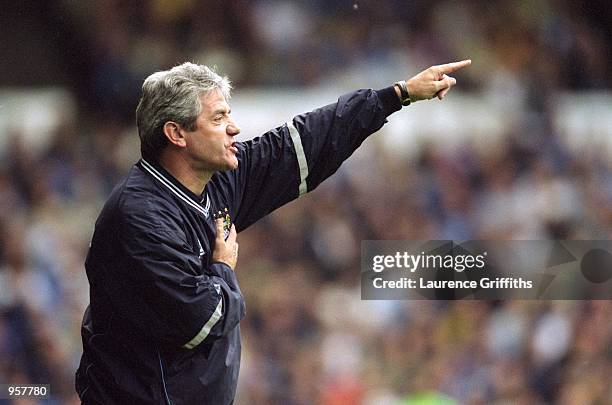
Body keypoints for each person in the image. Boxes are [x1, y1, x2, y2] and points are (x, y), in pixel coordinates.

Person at [75, 59, 471, 404]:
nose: (234, 128)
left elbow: (302, 143)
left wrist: (395, 95)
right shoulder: (140, 217)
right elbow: (202, 320)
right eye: (218, 119)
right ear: (176, 134)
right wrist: (223, 268)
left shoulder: (212, 181)